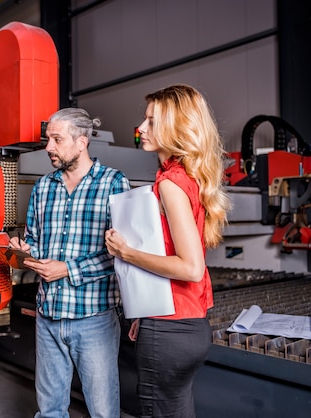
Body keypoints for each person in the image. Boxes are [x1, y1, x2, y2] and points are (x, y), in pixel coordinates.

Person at [105, 84, 230, 418]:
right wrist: (144, 313)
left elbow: (190, 267)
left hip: (170, 331)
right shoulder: (187, 178)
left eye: (151, 121)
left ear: (175, 127)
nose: (141, 128)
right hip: (186, 325)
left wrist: (126, 252)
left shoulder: (171, 184)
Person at [10, 107, 130, 418]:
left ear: (82, 142)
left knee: (103, 412)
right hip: (48, 314)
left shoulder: (114, 184)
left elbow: (122, 254)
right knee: (49, 411)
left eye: (56, 139)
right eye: (47, 139)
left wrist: (67, 269)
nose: (48, 147)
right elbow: (35, 241)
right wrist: (23, 250)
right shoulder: (43, 188)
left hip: (94, 318)